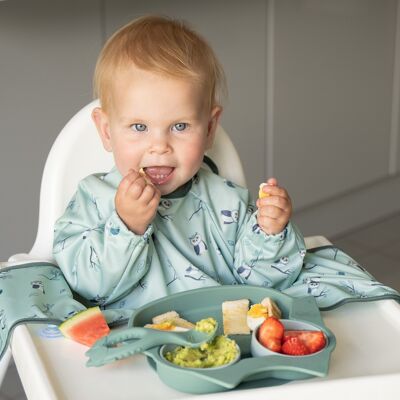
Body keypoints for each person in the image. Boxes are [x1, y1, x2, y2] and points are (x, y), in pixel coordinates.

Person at [53, 16, 306, 310]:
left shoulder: (227, 201)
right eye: (139, 127)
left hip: (221, 340)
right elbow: (84, 286)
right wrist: (126, 227)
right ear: (107, 131)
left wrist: (270, 232)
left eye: (180, 126)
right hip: (131, 343)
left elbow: (265, 282)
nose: (160, 147)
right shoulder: (93, 199)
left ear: (209, 128)